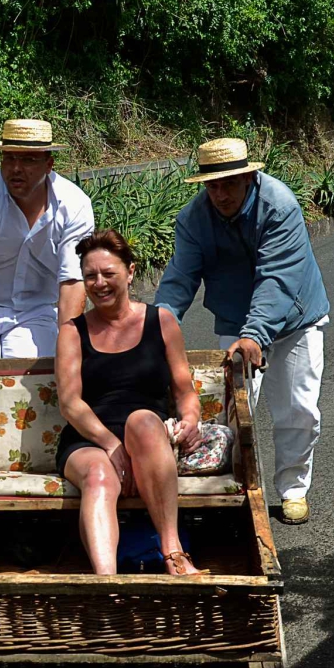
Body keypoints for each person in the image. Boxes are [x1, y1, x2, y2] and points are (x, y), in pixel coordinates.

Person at [155, 138, 330, 526]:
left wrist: (255, 334)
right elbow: (179, 280)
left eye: (229, 184)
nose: (220, 194)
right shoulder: (194, 219)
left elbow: (277, 279)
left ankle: (293, 490)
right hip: (235, 323)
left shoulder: (280, 206)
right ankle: (231, 493)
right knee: (230, 414)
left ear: (249, 177)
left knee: (298, 410)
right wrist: (153, 328)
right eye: (212, 185)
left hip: (295, 320)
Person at [0, 118, 95, 530]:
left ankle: (33, 512)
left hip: (39, 311)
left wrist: (71, 346)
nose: (16, 169)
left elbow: (71, 282)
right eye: (9, 158)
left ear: (48, 162)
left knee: (39, 401)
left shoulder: (74, 204)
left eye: (27, 160)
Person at [55, 230, 204, 575]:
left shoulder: (161, 321)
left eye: (109, 274)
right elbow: (70, 403)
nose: (99, 283)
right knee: (99, 476)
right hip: (90, 438)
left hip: (147, 435)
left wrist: (191, 419)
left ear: (130, 272)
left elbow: (183, 389)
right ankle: (107, 582)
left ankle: (173, 552)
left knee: (143, 420)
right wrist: (110, 444)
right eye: (90, 276)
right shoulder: (72, 332)